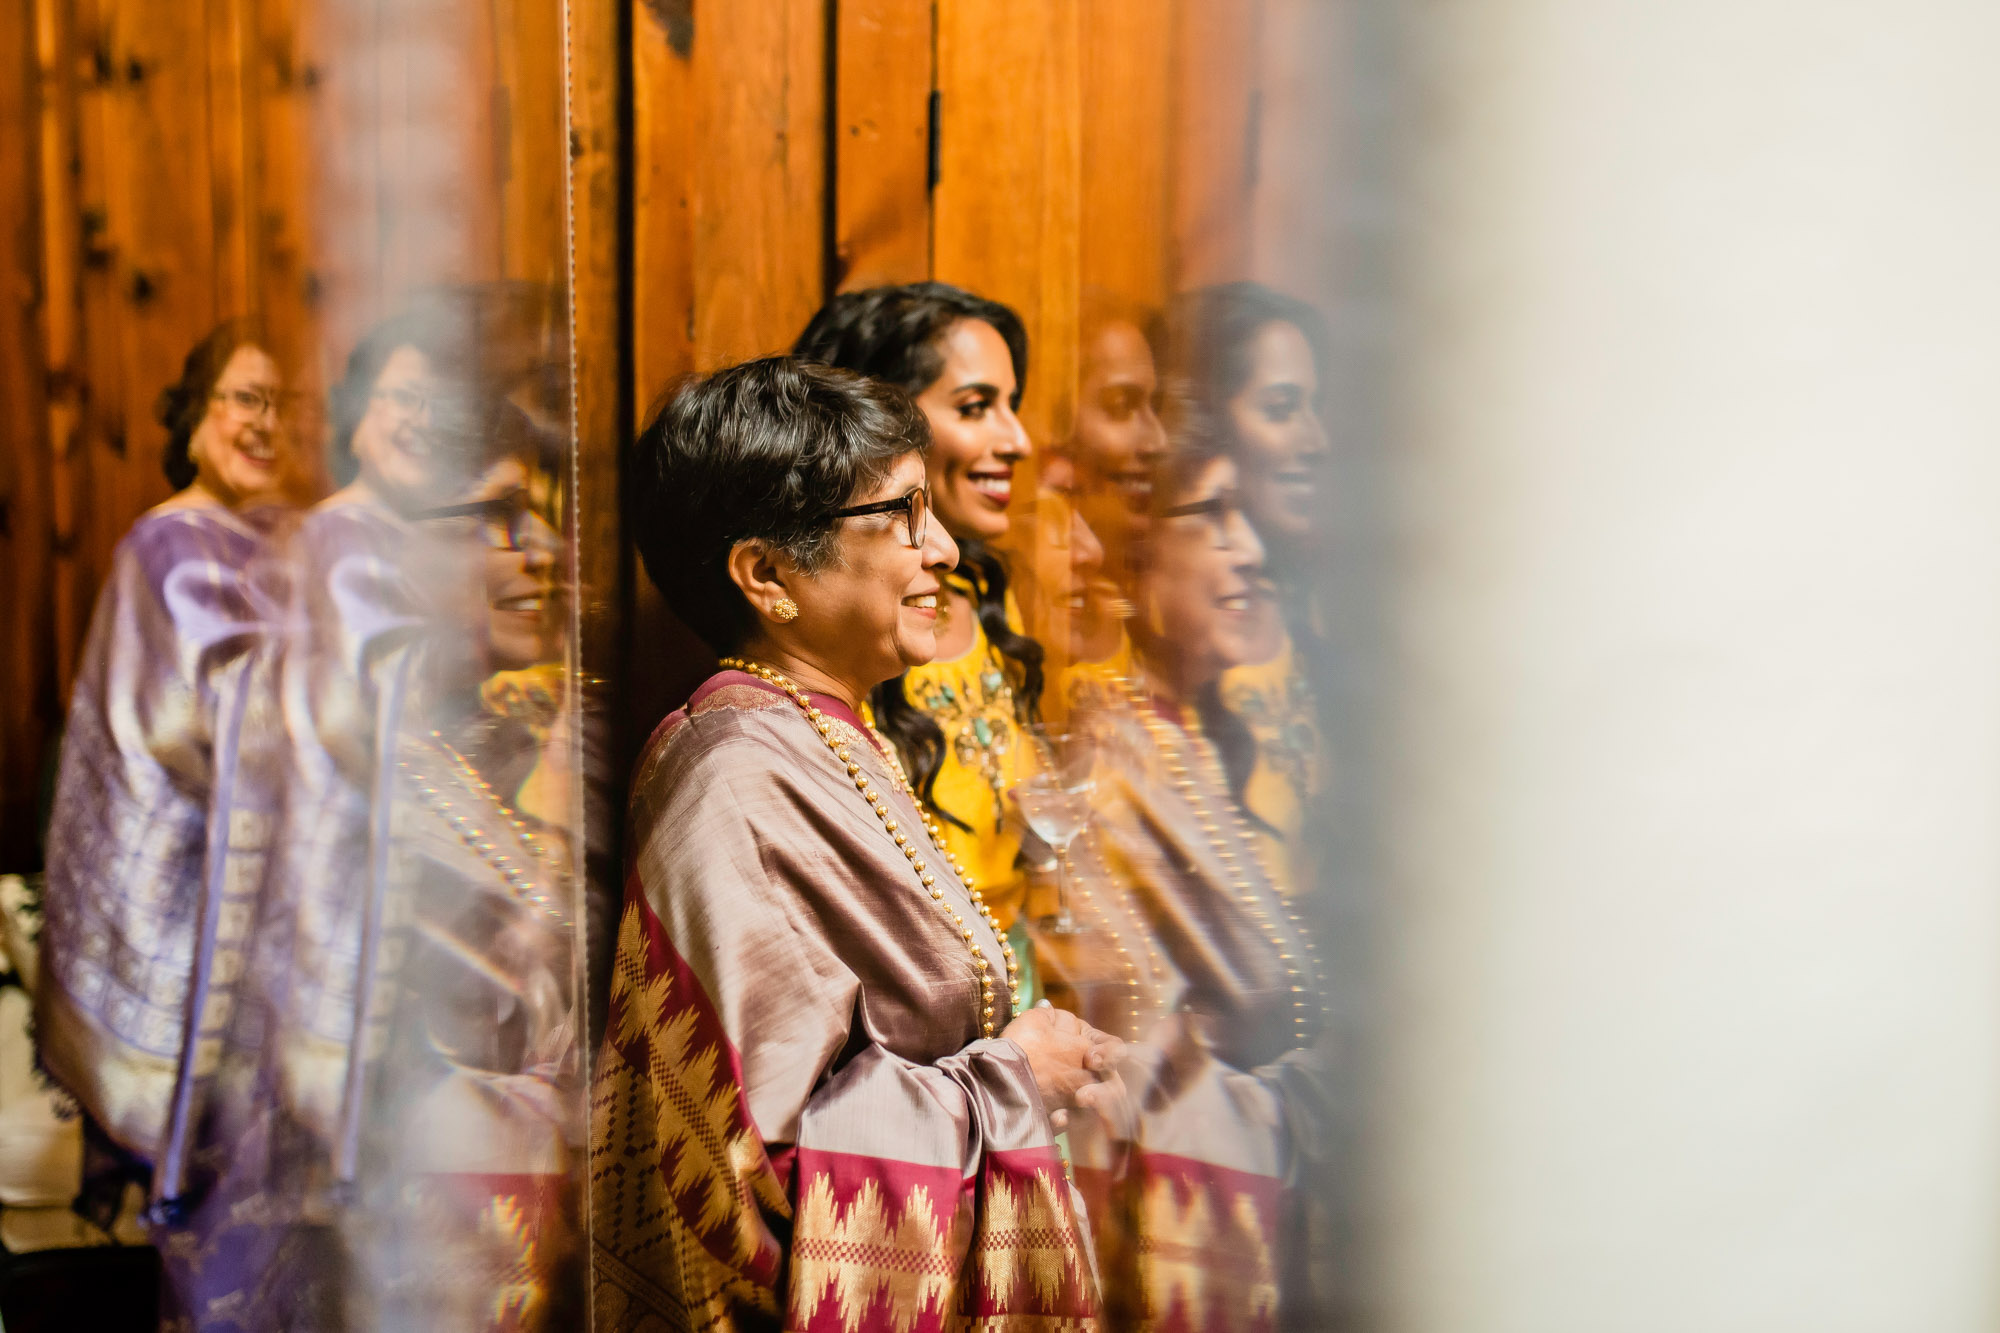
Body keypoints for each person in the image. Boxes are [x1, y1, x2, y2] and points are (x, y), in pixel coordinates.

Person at [592, 356, 1121, 1331]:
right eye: (901, 516)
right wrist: (1015, 1078)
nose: (943, 549)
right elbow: (762, 1167)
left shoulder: (832, 736)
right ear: (765, 573)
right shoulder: (731, 774)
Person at [1029, 428, 1334, 1331]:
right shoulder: (1109, 747)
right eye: (1212, 513)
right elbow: (1143, 1023)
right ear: (1134, 553)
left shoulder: (1188, 729)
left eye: (1248, 515)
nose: (1250, 547)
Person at [36, 319, 296, 1229]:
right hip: (184, 882)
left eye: (280, 405)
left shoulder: (276, 544)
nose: (265, 423)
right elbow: (198, 722)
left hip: (263, 879)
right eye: (244, 398)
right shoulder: (171, 544)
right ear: (194, 418)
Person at [793, 284, 1049, 983]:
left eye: (1011, 405)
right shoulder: (848, 629)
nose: (1017, 440)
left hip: (1017, 973)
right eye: (975, 407)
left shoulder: (985, 596)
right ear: (878, 426)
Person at [1163, 282, 1334, 897]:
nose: (1316, 441)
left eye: (1317, 408)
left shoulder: (1323, 611)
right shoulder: (1177, 631)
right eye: (1281, 409)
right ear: (1210, 419)